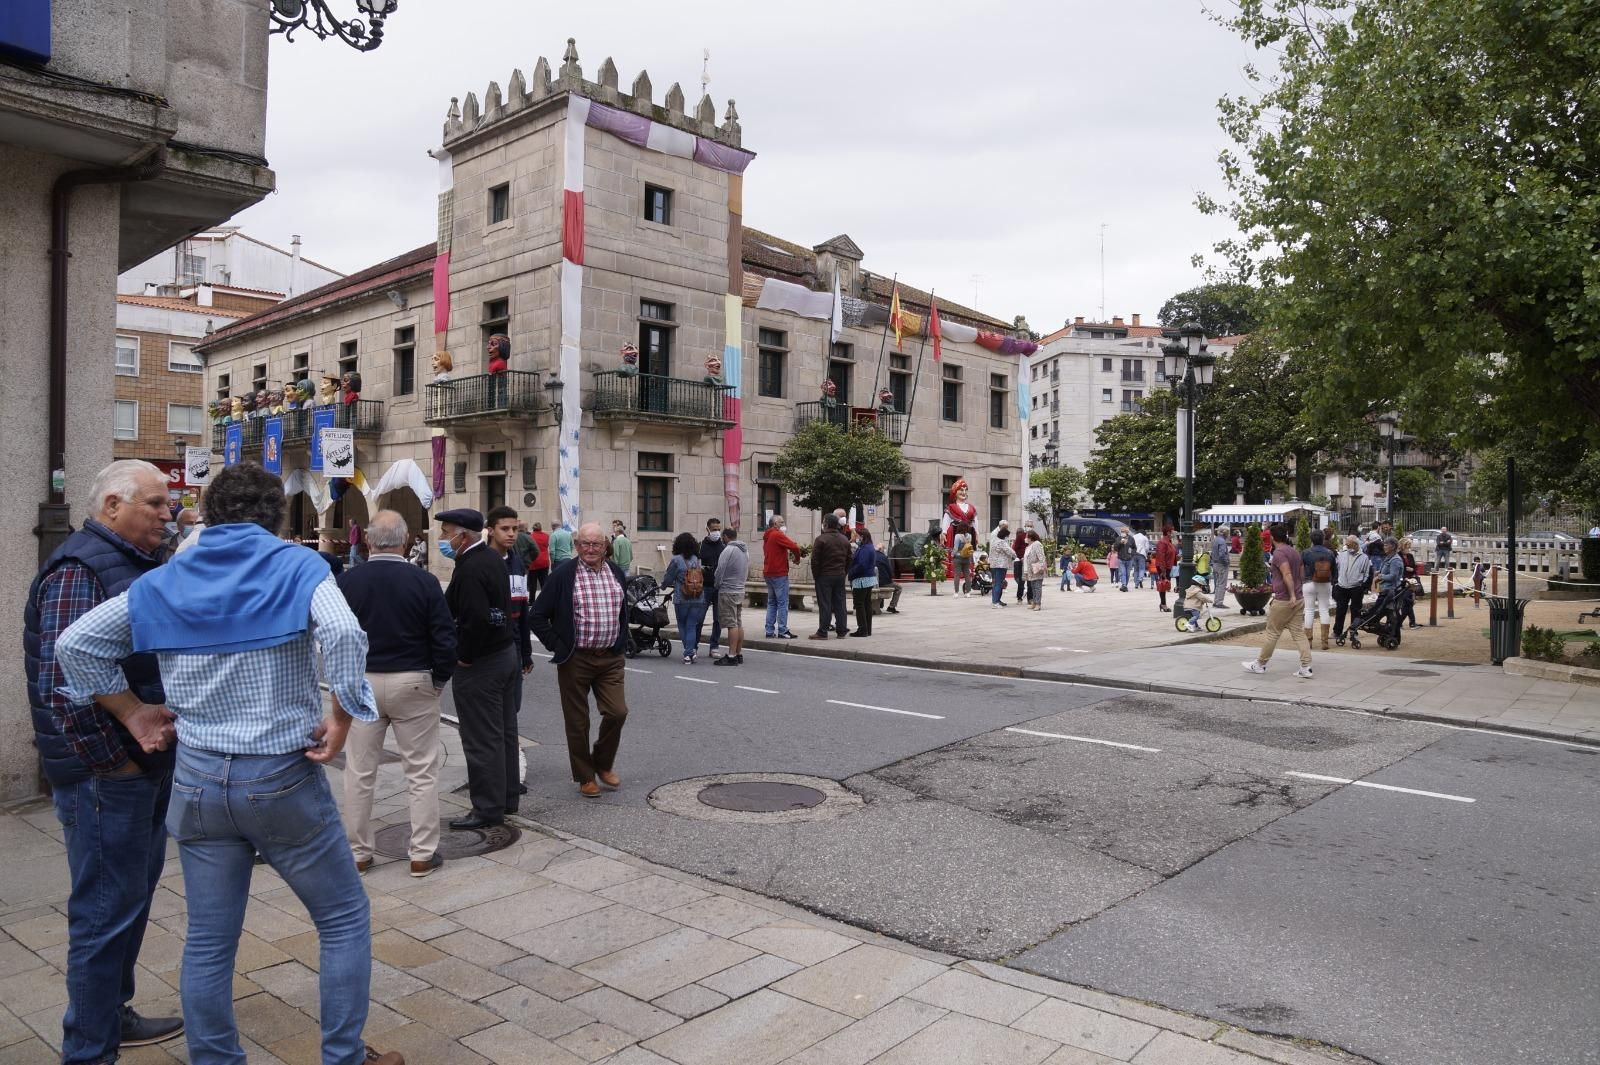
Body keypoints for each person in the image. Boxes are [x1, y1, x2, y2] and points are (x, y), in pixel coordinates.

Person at [53, 462, 404, 1065]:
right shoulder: (297, 565)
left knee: (210, 942)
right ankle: (343, 1056)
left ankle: (216, 1059)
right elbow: (346, 635)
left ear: (210, 513)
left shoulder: (166, 577)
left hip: (196, 777)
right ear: (273, 516)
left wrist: (135, 713)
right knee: (343, 919)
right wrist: (343, 715)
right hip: (277, 773)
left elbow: (74, 645)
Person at [24, 460, 184, 1061]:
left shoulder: (136, 562)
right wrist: (110, 765)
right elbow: (62, 681)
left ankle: (112, 1015)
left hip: (139, 766)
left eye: (167, 503)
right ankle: (89, 1050)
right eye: (155, 503)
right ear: (113, 505)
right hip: (107, 774)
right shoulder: (80, 567)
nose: (167, 514)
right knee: (102, 914)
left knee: (129, 902)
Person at [337, 510, 456, 878]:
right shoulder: (424, 581)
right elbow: (444, 637)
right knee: (421, 771)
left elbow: (335, 637)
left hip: (364, 680)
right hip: (412, 678)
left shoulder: (347, 582)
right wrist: (438, 680)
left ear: (369, 541)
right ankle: (421, 853)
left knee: (359, 771)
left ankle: (358, 853)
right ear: (406, 542)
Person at [529, 522, 631, 798]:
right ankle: (585, 776)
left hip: (610, 657)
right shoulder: (563, 575)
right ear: (576, 546)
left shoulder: (617, 573)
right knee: (577, 722)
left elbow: (623, 611)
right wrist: (558, 646)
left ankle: (603, 762)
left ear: (605, 546)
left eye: (595, 544)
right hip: (576, 659)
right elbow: (536, 615)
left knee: (617, 712)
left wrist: (622, 640)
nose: (590, 549)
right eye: (584, 544)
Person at [437, 507, 520, 830]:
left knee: (481, 737)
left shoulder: (471, 567)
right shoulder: (491, 559)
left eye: (446, 532)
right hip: (504, 653)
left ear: (463, 535)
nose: (444, 539)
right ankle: (507, 796)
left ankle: (487, 808)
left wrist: (464, 656)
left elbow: (475, 619)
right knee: (503, 733)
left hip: (482, 662)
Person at [1243, 521, 1313, 677]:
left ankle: (1260, 664)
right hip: (1298, 598)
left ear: (1273, 537)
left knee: (1272, 633)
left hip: (1285, 599)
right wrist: (1297, 591)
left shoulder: (1279, 554)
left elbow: (1287, 573)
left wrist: (1292, 594)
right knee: (1298, 634)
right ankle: (1306, 666)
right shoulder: (1294, 551)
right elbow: (1301, 572)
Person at [487, 506, 536, 717]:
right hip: (488, 645)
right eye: (504, 528)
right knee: (491, 708)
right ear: (490, 530)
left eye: (514, 529)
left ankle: (508, 748)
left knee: (513, 705)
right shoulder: (481, 562)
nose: (511, 534)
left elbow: (523, 610)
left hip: (514, 643)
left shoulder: (517, 563)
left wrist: (526, 652)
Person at [664, 532, 709, 662]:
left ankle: (688, 652)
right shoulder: (696, 559)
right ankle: (691, 651)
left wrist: (663, 586)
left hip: (681, 597)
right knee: (691, 625)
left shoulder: (676, 560)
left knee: (682, 625)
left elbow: (669, 577)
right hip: (698, 597)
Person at [809, 515, 852, 637]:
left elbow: (815, 561)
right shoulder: (844, 539)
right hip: (839, 575)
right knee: (840, 603)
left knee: (825, 604)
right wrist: (844, 572)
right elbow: (849, 558)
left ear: (826, 524)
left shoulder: (821, 539)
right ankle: (842, 630)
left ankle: (823, 631)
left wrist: (816, 576)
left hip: (824, 575)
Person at [712, 527, 750, 663]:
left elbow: (720, 569)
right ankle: (739, 653)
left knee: (731, 624)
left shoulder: (728, 550)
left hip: (728, 590)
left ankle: (731, 655)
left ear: (726, 537)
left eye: (723, 537)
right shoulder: (744, 550)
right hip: (740, 589)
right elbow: (746, 569)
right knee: (738, 623)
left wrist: (716, 584)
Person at [761, 515, 802, 638]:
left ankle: (769, 630)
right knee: (782, 603)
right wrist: (797, 558)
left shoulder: (767, 536)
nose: (783, 524)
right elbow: (794, 547)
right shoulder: (777, 535)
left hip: (768, 572)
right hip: (779, 573)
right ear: (774, 524)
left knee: (772, 602)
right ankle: (783, 630)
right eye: (781, 522)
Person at [1332, 535, 1373, 645]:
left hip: (1356, 587)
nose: (1347, 546)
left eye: (1349, 544)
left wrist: (1363, 586)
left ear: (1356, 544)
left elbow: (1367, 573)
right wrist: (1336, 582)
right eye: (1346, 544)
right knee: (1340, 610)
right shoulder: (1342, 555)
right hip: (1342, 586)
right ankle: (1337, 631)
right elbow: (1337, 568)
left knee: (1356, 610)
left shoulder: (1364, 557)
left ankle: (1353, 631)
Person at [1301, 529, 1337, 649]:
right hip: (1325, 583)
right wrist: (1333, 582)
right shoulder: (1330, 553)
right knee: (1324, 610)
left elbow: (1300, 568)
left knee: (1309, 610)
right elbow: (1335, 572)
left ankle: (1308, 641)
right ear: (1322, 539)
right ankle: (1324, 641)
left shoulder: (1305, 552)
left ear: (1311, 539)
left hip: (1308, 582)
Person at [700, 518, 727, 656]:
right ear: (708, 529)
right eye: (714, 529)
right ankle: (694, 646)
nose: (716, 532)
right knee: (700, 617)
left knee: (718, 619)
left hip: (719, 587)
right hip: (705, 586)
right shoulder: (701, 546)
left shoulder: (723, 546)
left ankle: (714, 646)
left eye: (718, 529)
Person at [847, 526, 880, 636]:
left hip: (861, 579)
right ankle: (867, 629)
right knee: (866, 604)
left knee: (859, 604)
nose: (855, 538)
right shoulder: (869, 547)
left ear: (862, 537)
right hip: (868, 579)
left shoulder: (865, 548)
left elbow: (861, 565)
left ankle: (862, 629)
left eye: (856, 536)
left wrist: (851, 573)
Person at [988, 520, 1017, 607]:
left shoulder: (995, 541)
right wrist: (1015, 556)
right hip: (1000, 565)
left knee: (997, 583)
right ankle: (995, 602)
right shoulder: (1001, 542)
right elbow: (1011, 552)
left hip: (994, 564)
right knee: (998, 583)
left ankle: (996, 600)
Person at [1398, 537, 1422, 629]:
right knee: (1408, 602)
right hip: (1403, 581)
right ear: (1402, 547)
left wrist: (1412, 569)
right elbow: (1399, 569)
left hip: (1411, 581)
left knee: (1408, 603)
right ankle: (1410, 623)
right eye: (1407, 547)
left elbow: (1414, 567)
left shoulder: (1410, 556)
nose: (1408, 549)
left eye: (1409, 547)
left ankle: (1406, 623)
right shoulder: (1398, 556)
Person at [1022, 530, 1048, 610]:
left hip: (1036, 569)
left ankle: (1038, 604)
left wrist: (1041, 567)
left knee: (1037, 587)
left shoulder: (1037, 544)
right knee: (1032, 587)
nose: (1025, 538)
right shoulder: (1028, 546)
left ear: (1031, 538)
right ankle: (1034, 602)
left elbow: (1041, 557)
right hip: (1030, 570)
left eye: (1027, 537)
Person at [1153, 532, 1178, 610]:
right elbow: (1161, 556)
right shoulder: (1162, 542)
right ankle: (1163, 604)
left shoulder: (1169, 543)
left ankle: (1162, 603)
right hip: (1163, 566)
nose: (1175, 534)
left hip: (1168, 566)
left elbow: (1173, 554)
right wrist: (1163, 570)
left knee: (1165, 585)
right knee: (1163, 585)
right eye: (1173, 532)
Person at [527, 520, 552, 596]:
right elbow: (547, 546)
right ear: (541, 528)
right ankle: (545, 599)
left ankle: (531, 600)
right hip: (544, 561)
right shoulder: (546, 536)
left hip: (533, 562)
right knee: (544, 582)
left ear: (533, 528)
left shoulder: (530, 536)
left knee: (532, 584)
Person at [874, 545, 902, 614]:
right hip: (883, 582)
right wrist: (890, 579)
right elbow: (890, 571)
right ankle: (892, 606)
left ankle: (881, 605)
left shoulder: (871, 555)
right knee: (899, 587)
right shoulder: (884, 557)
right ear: (882, 550)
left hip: (872, 582)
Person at [1210, 526, 1232, 608]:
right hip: (1221, 564)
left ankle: (1216, 601)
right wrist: (1227, 562)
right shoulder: (1222, 541)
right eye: (1228, 533)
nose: (1228, 535)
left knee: (1218, 583)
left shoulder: (1215, 540)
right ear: (1225, 533)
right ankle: (1219, 602)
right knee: (1222, 584)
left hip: (1215, 563)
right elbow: (1222, 554)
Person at [952, 523, 974, 597]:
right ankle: (968, 593)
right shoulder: (969, 536)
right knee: (967, 575)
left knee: (957, 575)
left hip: (958, 557)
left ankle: (956, 592)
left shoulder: (957, 536)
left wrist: (952, 555)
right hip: (967, 557)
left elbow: (955, 548)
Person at [1012, 522, 1029, 602]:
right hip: (1019, 560)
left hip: (1019, 561)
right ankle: (1023, 593)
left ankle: (1020, 596)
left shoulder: (1019, 540)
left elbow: (1014, 549)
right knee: (1020, 579)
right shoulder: (1017, 540)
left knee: (1020, 579)